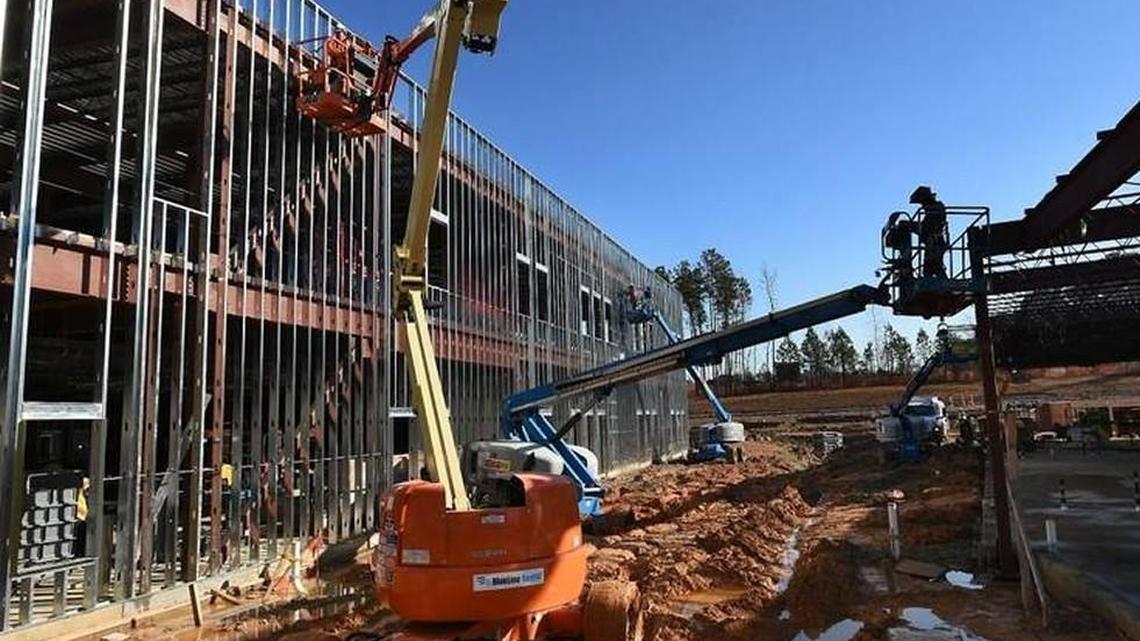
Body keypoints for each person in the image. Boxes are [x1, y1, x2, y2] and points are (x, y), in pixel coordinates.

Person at [910, 185, 949, 279]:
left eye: (922, 203)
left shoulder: (936, 209)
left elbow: (927, 227)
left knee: (935, 265)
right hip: (932, 243)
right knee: (929, 269)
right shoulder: (934, 209)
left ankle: (945, 285)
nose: (922, 206)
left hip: (936, 242)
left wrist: (911, 226)